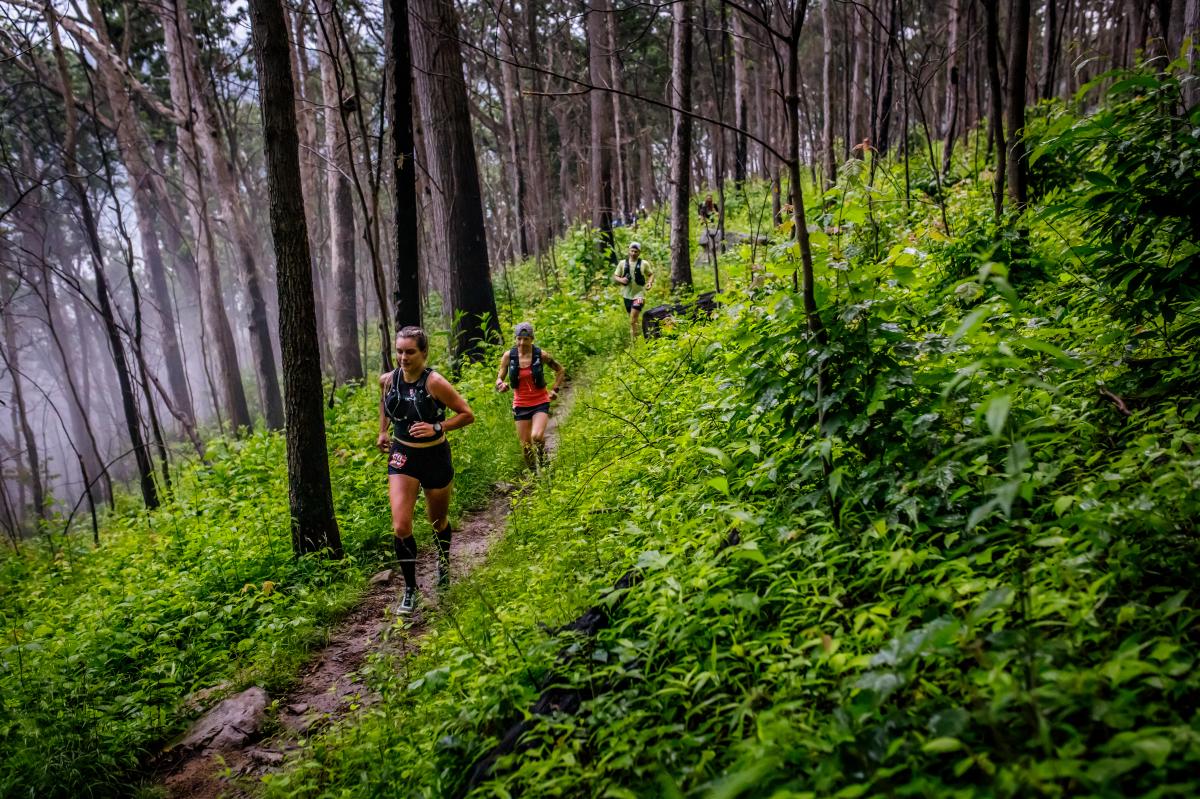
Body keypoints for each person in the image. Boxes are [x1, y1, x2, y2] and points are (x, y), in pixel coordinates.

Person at [376, 326, 475, 614]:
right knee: (401, 525)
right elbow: (383, 402)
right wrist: (383, 431)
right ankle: (410, 589)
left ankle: (443, 565)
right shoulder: (389, 380)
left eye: (410, 352)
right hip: (402, 456)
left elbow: (467, 415)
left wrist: (438, 426)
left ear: (423, 353)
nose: (403, 357)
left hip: (434, 457)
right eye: (399, 351)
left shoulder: (435, 383)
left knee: (437, 522)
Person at [495, 322, 564, 470]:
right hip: (520, 404)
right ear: (515, 339)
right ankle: (534, 477)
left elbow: (560, 370)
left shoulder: (541, 355)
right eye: (519, 339)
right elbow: (499, 377)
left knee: (537, 436)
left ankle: (543, 460)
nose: (521, 342)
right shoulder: (509, 356)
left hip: (540, 401)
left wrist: (555, 390)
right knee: (526, 446)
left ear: (531, 339)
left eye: (525, 339)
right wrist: (501, 384)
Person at [613, 241, 654, 342]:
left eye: (636, 251)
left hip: (639, 295)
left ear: (639, 252)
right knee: (633, 320)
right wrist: (621, 280)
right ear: (628, 251)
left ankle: (634, 342)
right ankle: (640, 335)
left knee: (632, 319)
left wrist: (649, 283)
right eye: (632, 251)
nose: (633, 253)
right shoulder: (622, 263)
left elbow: (650, 274)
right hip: (627, 295)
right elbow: (615, 276)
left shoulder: (644, 263)